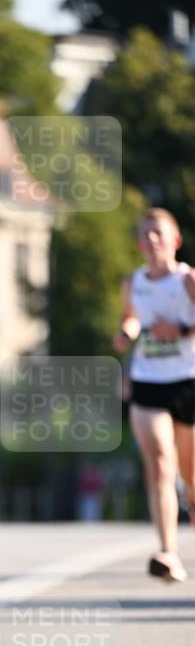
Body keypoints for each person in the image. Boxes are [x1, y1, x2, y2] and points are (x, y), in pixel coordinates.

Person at [113, 208, 195, 582]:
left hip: (187, 381)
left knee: (191, 476)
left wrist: (178, 330)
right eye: (145, 235)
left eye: (158, 234)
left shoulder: (188, 280)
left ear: (175, 240)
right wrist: (126, 333)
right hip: (148, 380)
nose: (151, 241)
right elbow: (131, 316)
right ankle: (168, 552)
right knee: (161, 462)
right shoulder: (133, 282)